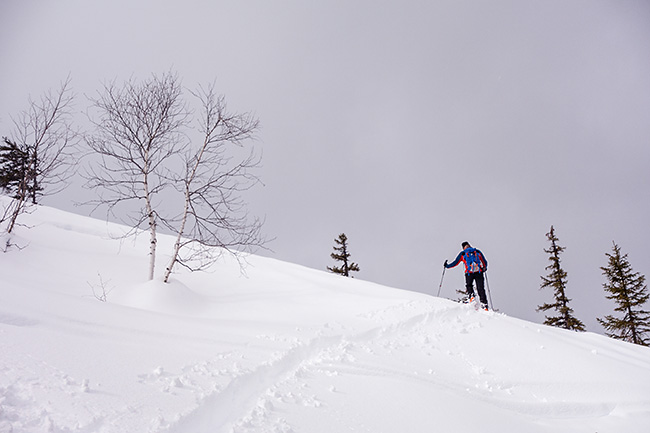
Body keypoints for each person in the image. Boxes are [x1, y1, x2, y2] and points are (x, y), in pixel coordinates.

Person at [444, 241, 489, 310]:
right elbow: (484, 261)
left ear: (463, 248)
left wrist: (447, 266)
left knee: (469, 285)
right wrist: (484, 267)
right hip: (479, 272)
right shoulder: (477, 251)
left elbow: (455, 263)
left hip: (469, 273)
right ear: (469, 245)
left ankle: (472, 297)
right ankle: (484, 305)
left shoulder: (463, 253)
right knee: (481, 288)